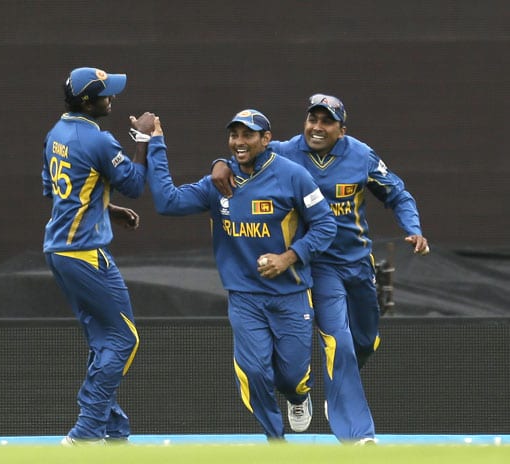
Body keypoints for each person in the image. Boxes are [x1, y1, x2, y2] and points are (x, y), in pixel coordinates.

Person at [211, 94, 430, 444]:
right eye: (313, 119)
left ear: (341, 130)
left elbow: (398, 194)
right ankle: (358, 435)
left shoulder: (361, 156)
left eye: (327, 121)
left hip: (357, 262)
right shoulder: (284, 151)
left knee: (365, 340)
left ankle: (338, 391)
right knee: (337, 342)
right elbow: (244, 156)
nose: (317, 127)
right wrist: (219, 162)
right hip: (318, 264)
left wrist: (413, 228)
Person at [145, 109, 337, 440]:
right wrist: (155, 143)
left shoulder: (293, 176)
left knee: (291, 377)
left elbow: (326, 224)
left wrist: (287, 258)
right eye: (234, 135)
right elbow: (167, 202)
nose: (239, 142)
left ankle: (297, 397)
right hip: (245, 296)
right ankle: (275, 441)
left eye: (248, 135)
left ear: (266, 138)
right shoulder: (219, 181)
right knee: (254, 371)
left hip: (291, 293)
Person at [41, 66, 155, 445]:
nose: (113, 98)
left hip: (61, 251)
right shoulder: (99, 140)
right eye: (106, 93)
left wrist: (105, 208)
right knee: (125, 339)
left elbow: (61, 193)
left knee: (105, 341)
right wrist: (143, 137)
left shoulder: (56, 133)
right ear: (88, 102)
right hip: (83, 253)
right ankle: (87, 430)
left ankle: (112, 429)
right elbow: (136, 185)